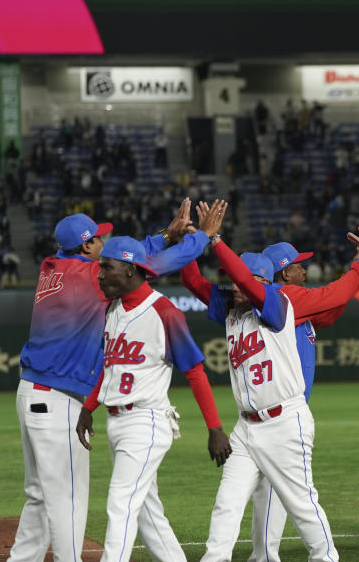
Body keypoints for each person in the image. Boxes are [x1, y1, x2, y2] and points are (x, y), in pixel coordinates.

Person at [7, 199, 209, 562]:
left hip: (32, 394)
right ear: (86, 247)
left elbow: (134, 257)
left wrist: (166, 234)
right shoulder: (92, 278)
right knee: (68, 500)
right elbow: (148, 264)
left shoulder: (53, 267)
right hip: (57, 399)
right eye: (98, 240)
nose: (104, 246)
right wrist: (201, 238)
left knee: (39, 495)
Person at [180, 202, 359, 562]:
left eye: (249, 281)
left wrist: (215, 240)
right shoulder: (232, 308)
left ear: (266, 283)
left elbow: (248, 281)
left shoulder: (276, 303)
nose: (238, 286)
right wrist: (189, 241)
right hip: (246, 427)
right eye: (236, 280)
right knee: (226, 504)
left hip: (284, 421)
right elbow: (192, 281)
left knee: (302, 505)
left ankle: (326, 558)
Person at [74, 236, 231, 562]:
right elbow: (109, 367)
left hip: (145, 421)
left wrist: (214, 428)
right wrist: (89, 407)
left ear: (131, 268)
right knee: (146, 512)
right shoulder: (114, 308)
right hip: (117, 421)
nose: (100, 274)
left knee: (121, 502)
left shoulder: (164, 312)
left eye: (107, 266)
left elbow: (195, 372)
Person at [247, 238, 359, 562]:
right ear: (283, 274)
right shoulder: (285, 297)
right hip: (283, 414)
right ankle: (320, 556)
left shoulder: (292, 303)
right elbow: (334, 295)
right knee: (293, 491)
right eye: (297, 265)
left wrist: (357, 273)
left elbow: (332, 309)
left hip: (282, 413)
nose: (304, 270)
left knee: (274, 490)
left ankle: (265, 556)